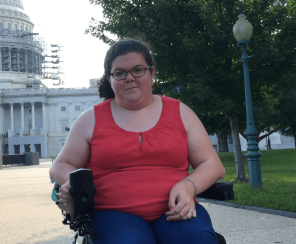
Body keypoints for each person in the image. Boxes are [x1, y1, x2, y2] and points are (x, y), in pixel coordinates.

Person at [49, 39, 226, 244]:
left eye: (137, 70)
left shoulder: (180, 112)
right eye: (120, 73)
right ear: (109, 79)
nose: (129, 78)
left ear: (152, 72)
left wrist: (189, 185)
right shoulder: (90, 119)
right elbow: (60, 166)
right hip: (112, 213)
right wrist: (75, 183)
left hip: (175, 209)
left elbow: (212, 164)